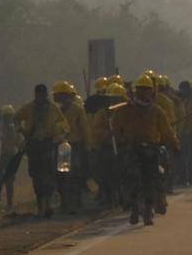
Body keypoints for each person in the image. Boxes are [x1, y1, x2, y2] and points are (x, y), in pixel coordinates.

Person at [109, 75, 180, 227]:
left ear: (151, 92)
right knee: (131, 179)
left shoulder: (156, 111)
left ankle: (148, 211)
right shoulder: (125, 109)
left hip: (150, 150)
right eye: (140, 89)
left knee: (150, 181)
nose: (142, 93)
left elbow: (166, 131)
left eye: (146, 90)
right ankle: (134, 209)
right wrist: (121, 140)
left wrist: (174, 145)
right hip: (131, 149)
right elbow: (115, 128)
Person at [15, 83, 69, 218]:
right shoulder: (29, 108)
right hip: (33, 145)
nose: (41, 97)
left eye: (43, 94)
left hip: (48, 143)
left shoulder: (53, 108)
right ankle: (41, 207)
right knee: (36, 177)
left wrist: (58, 129)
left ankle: (48, 205)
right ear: (36, 95)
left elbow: (64, 123)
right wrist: (21, 130)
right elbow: (16, 117)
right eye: (39, 95)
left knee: (49, 175)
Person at [51, 81, 88, 212]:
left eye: (61, 96)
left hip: (75, 145)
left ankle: (76, 200)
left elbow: (84, 128)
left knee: (75, 174)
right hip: (59, 145)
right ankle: (64, 202)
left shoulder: (77, 110)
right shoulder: (55, 110)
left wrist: (86, 145)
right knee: (59, 175)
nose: (58, 99)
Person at [85, 79, 120, 208]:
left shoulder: (126, 110)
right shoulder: (102, 113)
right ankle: (109, 196)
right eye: (111, 99)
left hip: (123, 146)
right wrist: (108, 134)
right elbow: (96, 130)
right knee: (105, 173)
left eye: (117, 99)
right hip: (107, 147)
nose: (114, 102)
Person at [0, 106, 20, 209]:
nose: (8, 118)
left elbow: (18, 142)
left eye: (9, 116)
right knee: (0, 178)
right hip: (1, 156)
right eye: (6, 116)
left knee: (9, 179)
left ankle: (9, 201)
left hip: (10, 156)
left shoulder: (14, 127)